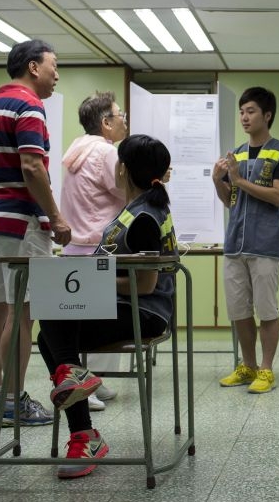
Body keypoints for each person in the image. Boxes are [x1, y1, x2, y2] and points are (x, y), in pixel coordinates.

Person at [37, 134, 177, 479]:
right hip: (122, 306)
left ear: (122, 170)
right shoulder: (135, 209)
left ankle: (84, 434)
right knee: (52, 326)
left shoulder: (144, 216)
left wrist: (89, 280)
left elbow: (145, 286)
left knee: (55, 315)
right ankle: (82, 419)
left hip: (145, 313)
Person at [0, 39, 71, 426]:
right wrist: (56, 218)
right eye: (53, 65)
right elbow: (32, 167)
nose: (56, 74)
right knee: (23, 310)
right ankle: (14, 402)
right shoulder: (29, 106)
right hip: (21, 224)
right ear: (33, 67)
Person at [214, 87, 279, 394]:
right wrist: (218, 181)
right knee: (238, 310)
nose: (244, 117)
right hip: (235, 243)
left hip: (266, 244)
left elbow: (278, 197)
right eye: (241, 112)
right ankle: (246, 366)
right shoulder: (234, 154)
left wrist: (238, 181)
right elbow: (231, 200)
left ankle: (266, 369)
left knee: (267, 309)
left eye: (250, 111)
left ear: (267, 115)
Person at [59, 91, 128, 410]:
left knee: (79, 321)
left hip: (76, 246)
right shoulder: (105, 153)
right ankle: (83, 391)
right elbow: (126, 192)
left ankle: (89, 381)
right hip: (97, 247)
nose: (123, 120)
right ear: (105, 122)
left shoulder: (78, 149)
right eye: (119, 114)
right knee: (93, 324)